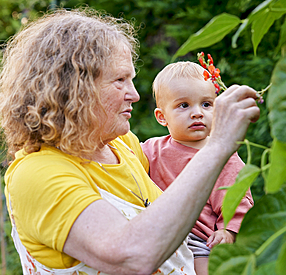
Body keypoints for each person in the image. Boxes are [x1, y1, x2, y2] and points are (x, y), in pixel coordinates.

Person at [0, 8, 260, 275]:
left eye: (131, 80)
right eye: (120, 80)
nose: (134, 95)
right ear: (75, 87)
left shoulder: (122, 145)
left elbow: (182, 164)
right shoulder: (36, 174)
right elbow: (131, 257)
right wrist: (218, 145)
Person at [141, 61, 254, 275]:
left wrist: (227, 232)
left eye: (206, 104)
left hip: (200, 241)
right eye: (184, 105)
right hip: (158, 236)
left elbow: (237, 200)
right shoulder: (151, 150)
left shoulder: (223, 155)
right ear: (161, 116)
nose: (197, 113)